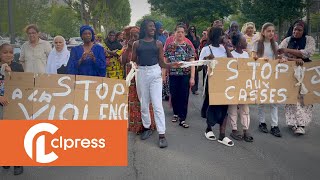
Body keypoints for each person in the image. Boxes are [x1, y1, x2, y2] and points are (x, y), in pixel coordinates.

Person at [131, 19, 180, 148]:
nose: (153, 28)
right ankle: (147, 128)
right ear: (144, 29)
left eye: (154, 26)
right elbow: (133, 60)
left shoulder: (158, 43)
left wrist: (171, 65)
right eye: (150, 26)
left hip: (154, 73)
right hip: (141, 73)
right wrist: (132, 63)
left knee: (157, 105)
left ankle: (162, 134)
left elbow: (162, 63)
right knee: (144, 104)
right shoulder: (136, 44)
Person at [278, 20, 316, 135]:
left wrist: (288, 50)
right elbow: (280, 54)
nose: (296, 32)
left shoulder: (309, 40)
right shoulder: (287, 40)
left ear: (304, 31)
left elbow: (307, 53)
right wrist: (293, 59)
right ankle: (293, 123)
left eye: (299, 30)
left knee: (304, 98)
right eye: (294, 29)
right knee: (292, 97)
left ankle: (302, 124)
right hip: (290, 71)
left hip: (306, 71)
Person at [200, 26, 234, 147]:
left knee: (224, 108)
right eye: (221, 35)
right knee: (212, 105)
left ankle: (222, 135)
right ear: (215, 36)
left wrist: (226, 47)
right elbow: (199, 66)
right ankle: (208, 129)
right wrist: (206, 60)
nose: (224, 37)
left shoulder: (224, 48)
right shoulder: (206, 49)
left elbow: (232, 62)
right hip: (212, 82)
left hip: (225, 82)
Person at [252, 22, 282, 137]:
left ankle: (275, 125)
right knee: (262, 100)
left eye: (273, 31)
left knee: (274, 101)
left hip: (273, 75)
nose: (271, 33)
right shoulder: (257, 44)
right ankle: (262, 122)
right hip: (261, 75)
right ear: (263, 32)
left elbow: (277, 57)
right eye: (269, 31)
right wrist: (260, 59)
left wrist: (281, 59)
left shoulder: (275, 44)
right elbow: (253, 58)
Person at [164, 24, 195, 128]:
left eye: (182, 32)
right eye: (178, 32)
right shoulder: (169, 47)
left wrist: (192, 77)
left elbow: (192, 63)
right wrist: (163, 76)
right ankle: (176, 113)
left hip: (185, 75)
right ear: (174, 33)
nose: (180, 34)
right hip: (173, 75)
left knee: (184, 96)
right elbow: (165, 62)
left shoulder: (188, 47)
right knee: (174, 95)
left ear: (185, 34)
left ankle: (182, 118)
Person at [0, 43, 24, 175]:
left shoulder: (17, 66)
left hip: (14, 103)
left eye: (10, 52)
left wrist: (11, 73)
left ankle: (18, 162)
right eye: (5, 52)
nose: (8, 54)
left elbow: (22, 83)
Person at [228, 33, 253, 142]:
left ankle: (245, 129)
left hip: (244, 86)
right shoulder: (230, 54)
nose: (246, 42)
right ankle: (234, 129)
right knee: (233, 107)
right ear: (239, 43)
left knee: (245, 108)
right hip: (233, 86)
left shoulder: (247, 55)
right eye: (244, 40)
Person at [186, 25, 200, 95]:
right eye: (191, 30)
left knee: (196, 72)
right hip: (187, 57)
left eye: (193, 29)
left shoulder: (197, 37)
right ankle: (187, 87)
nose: (192, 31)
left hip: (195, 56)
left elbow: (197, 45)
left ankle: (195, 89)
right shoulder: (186, 37)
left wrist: (194, 37)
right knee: (188, 72)